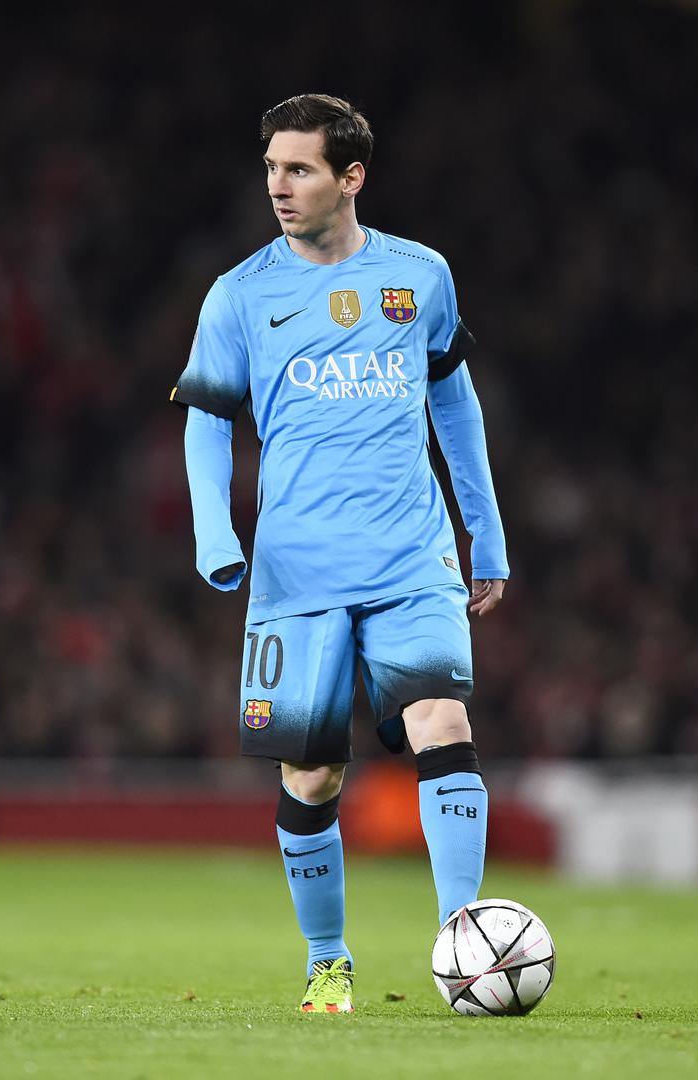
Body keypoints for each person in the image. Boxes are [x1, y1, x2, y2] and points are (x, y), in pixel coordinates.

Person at [172, 94, 508, 1014]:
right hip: (298, 570)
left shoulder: (421, 275)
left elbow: (455, 404)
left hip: (411, 557)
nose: (277, 186)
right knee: (313, 773)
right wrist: (213, 530)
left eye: (299, 168)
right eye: (271, 168)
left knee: (442, 721)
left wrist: (485, 529)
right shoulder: (239, 293)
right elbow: (207, 420)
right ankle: (329, 959)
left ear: (351, 177)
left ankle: (464, 941)